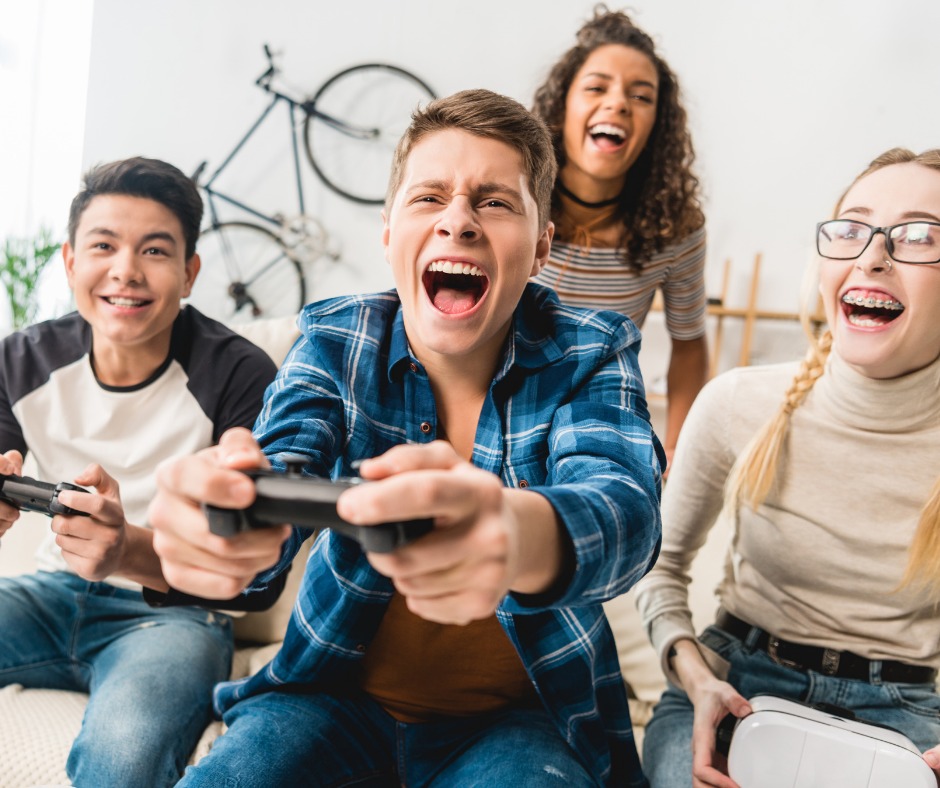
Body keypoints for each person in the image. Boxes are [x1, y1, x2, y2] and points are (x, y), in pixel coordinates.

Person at [145, 89, 664, 788]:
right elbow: (282, 460)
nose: (459, 221)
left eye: (495, 201)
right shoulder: (335, 339)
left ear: (541, 247)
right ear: (388, 233)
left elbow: (624, 510)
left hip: (522, 725)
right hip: (329, 700)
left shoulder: (592, 350)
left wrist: (512, 530)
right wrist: (228, 523)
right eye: (429, 199)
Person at [634, 148, 940, 788]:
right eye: (852, 229)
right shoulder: (736, 404)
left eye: (919, 236)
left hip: (910, 719)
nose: (873, 256)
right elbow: (656, 568)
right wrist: (697, 679)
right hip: (735, 688)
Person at [0, 157, 278, 788]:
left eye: (155, 250)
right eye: (103, 246)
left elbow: (257, 574)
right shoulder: (21, 360)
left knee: (123, 762)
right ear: (71, 262)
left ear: (189, 274)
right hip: (49, 595)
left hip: (173, 618)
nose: (125, 270)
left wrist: (127, 548)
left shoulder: (242, 376)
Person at [532, 7, 708, 474]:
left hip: (602, 414)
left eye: (642, 96)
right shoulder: (515, 199)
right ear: (561, 105)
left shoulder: (677, 227)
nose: (618, 103)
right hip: (505, 405)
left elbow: (688, 344)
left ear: (657, 125)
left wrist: (675, 455)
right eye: (596, 87)